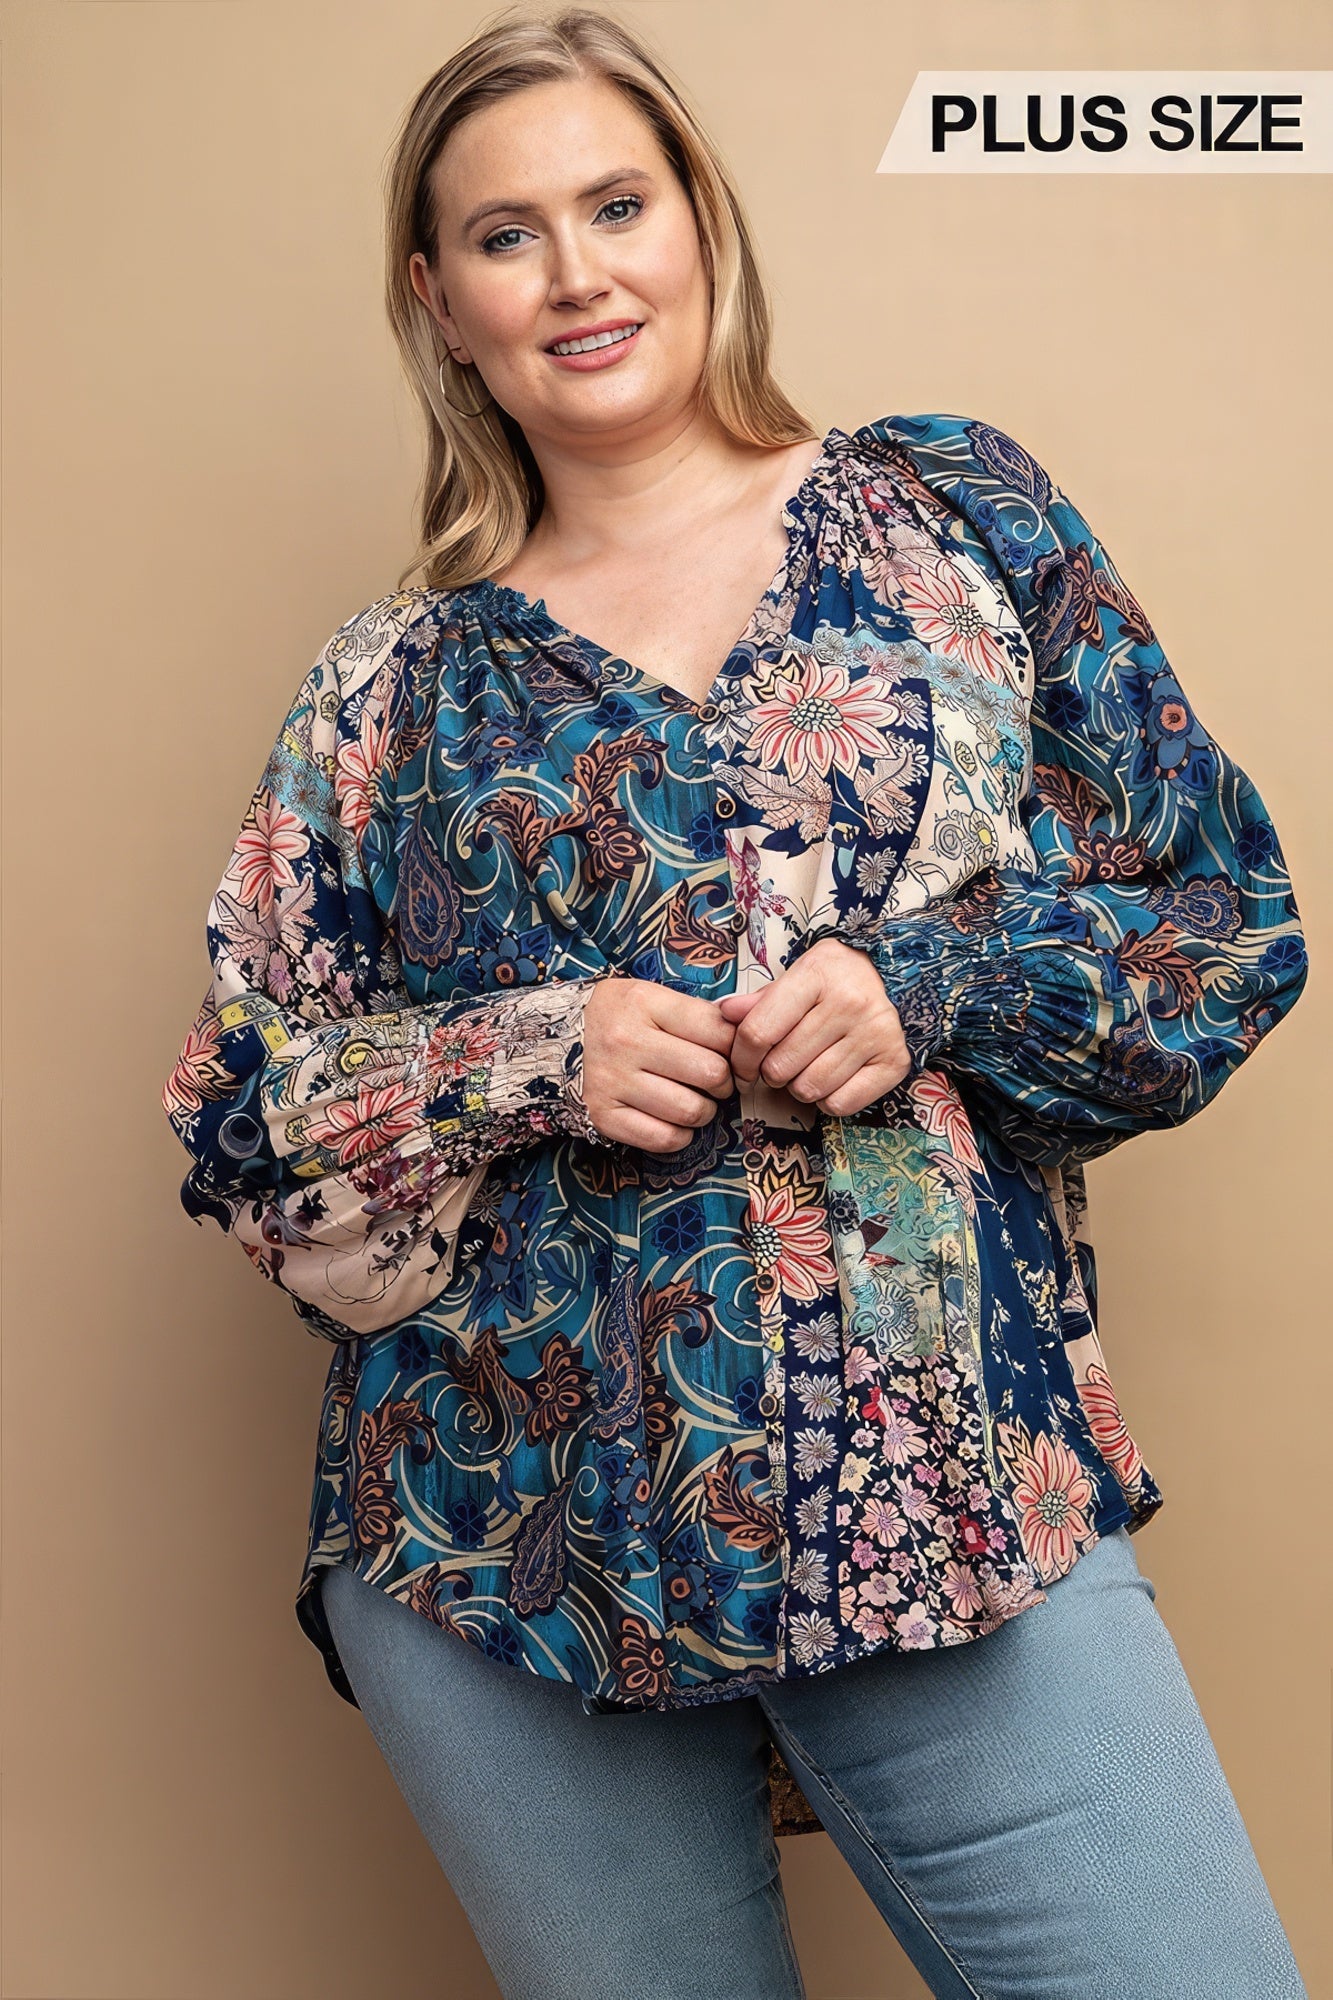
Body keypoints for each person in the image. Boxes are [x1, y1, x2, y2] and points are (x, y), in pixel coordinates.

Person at [160, 9, 1311, 1997]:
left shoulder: (949, 517)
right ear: (438, 302)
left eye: (617, 204)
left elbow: (1221, 923)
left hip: (942, 1499)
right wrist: (534, 1053)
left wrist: (929, 987)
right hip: (494, 1549)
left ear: (700, 219)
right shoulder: (388, 689)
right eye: (507, 235)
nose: (576, 272)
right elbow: (239, 1117)